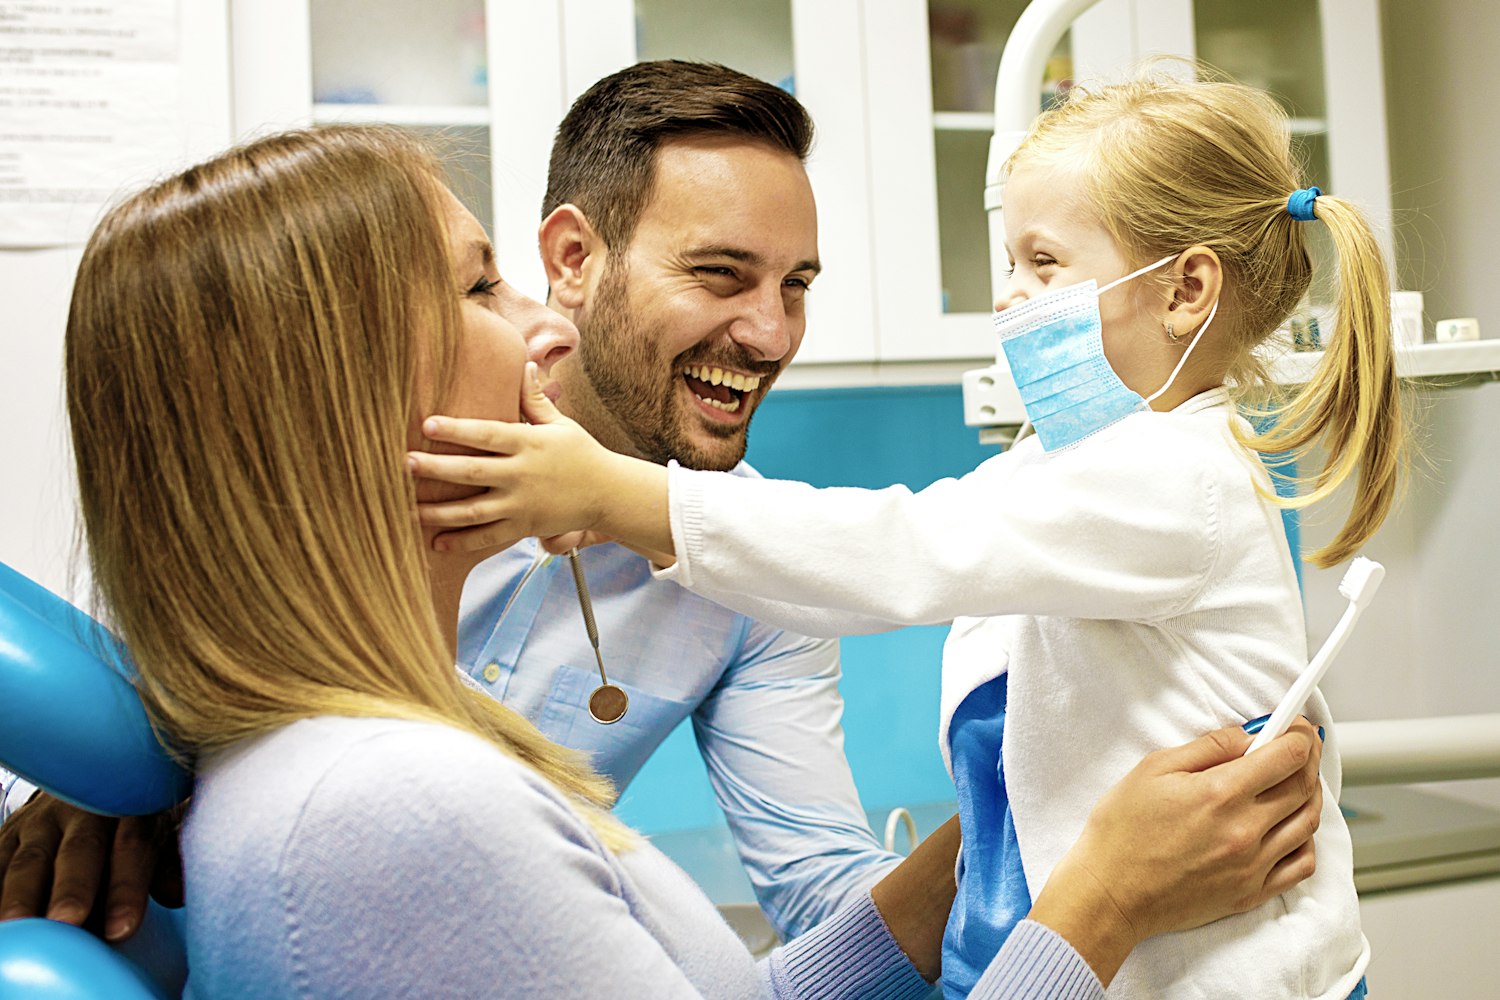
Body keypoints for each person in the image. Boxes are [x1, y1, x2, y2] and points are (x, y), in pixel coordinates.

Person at [42, 122, 1326, 998]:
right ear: (338, 395)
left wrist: (987, 845)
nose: (544, 332)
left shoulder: (391, 759)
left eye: (800, 284)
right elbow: (908, 542)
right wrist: (1096, 909)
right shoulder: (392, 801)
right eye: (486, 290)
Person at [409, 71, 1403, 999]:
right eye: (720, 273)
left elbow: (902, 553)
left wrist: (1042, 905)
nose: (771, 332)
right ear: (571, 261)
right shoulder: (352, 516)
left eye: (796, 284)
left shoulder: (1171, 478)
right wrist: (1076, 892)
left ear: (1187, 289)